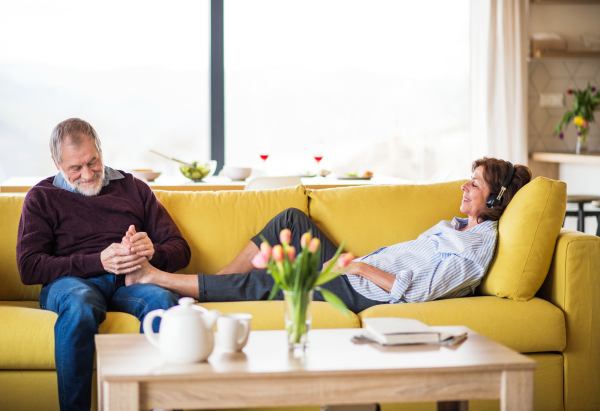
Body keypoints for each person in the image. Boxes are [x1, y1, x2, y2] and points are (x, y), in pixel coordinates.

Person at [125, 157, 532, 314]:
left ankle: (155, 277)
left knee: (270, 279)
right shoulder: (458, 226)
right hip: (358, 272)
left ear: (495, 197)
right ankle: (216, 285)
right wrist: (356, 264)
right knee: (291, 219)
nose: (463, 187)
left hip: (365, 290)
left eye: (474, 185)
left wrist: (357, 266)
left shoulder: (474, 248)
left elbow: (417, 289)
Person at [16, 118, 191, 411]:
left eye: (93, 161)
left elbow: (180, 250)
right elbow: (29, 267)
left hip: (130, 282)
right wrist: (97, 261)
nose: (87, 174)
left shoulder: (133, 187)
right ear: (56, 163)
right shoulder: (42, 197)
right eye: (75, 168)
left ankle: (159, 405)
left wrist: (154, 253)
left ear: (100, 149)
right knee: (80, 303)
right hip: (72, 284)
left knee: (163, 300)